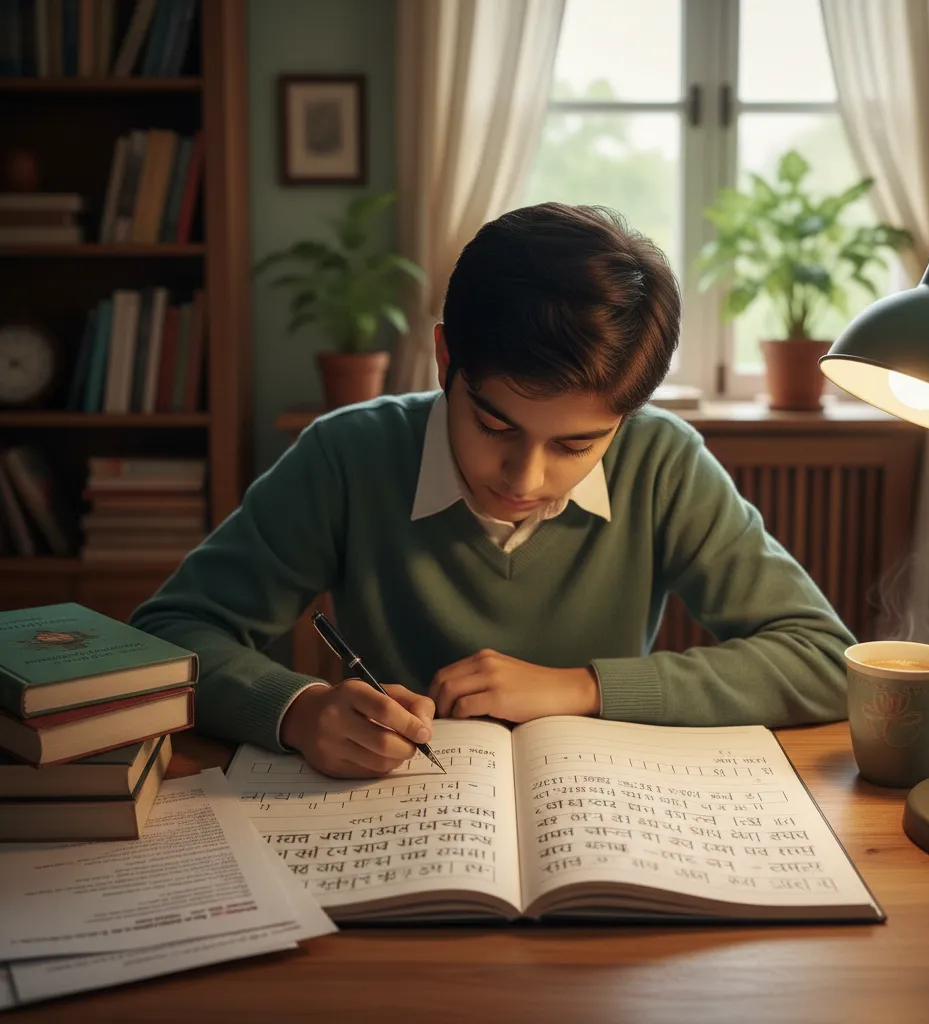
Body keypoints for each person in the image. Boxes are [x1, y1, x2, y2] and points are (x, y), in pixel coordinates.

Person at [130, 203, 854, 779]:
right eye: (494, 424)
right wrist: (297, 708)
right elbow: (167, 635)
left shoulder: (663, 460)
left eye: (576, 444)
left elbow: (822, 659)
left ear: (625, 418)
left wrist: (582, 688)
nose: (525, 479)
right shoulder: (347, 454)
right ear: (446, 358)